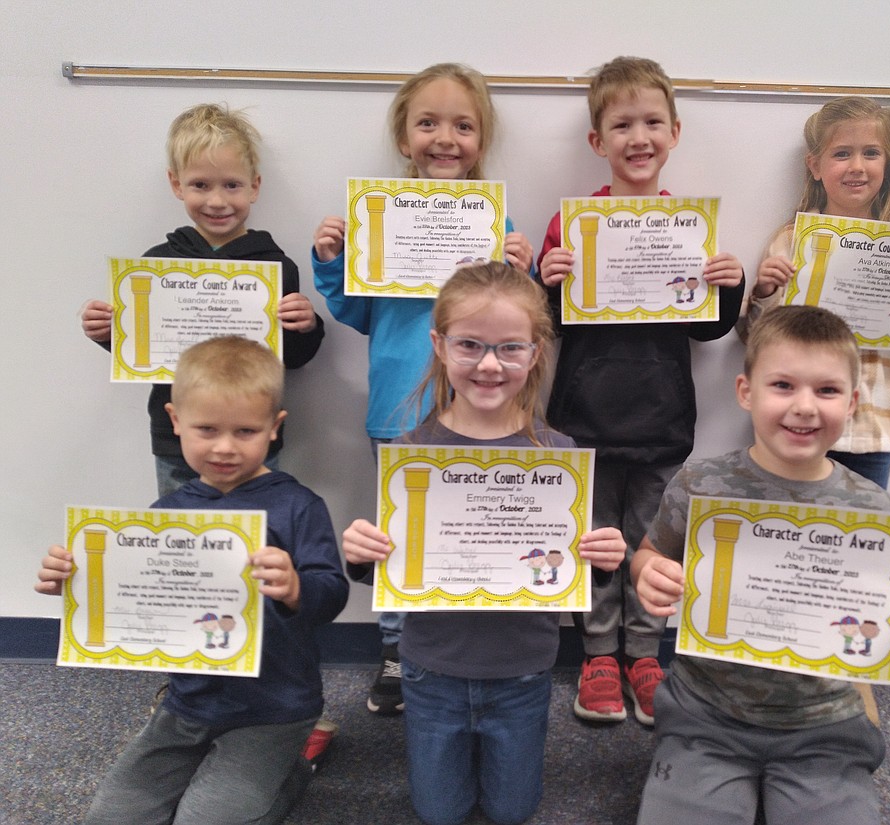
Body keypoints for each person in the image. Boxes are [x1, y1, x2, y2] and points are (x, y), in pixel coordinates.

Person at [631, 306, 890, 825]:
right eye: (783, 385)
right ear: (745, 392)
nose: (804, 407)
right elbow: (650, 553)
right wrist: (648, 573)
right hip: (705, 713)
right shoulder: (700, 484)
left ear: (852, 403)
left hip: (823, 724)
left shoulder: (871, 507)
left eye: (826, 391)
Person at [340, 262, 626, 825]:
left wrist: (602, 560)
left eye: (510, 348)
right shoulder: (413, 451)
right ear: (439, 346)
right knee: (438, 813)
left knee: (513, 811)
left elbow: (575, 574)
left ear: (536, 351)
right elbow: (394, 567)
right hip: (431, 669)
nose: (490, 364)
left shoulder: (559, 453)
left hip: (522, 671)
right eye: (469, 345)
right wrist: (361, 556)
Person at [35, 336, 349, 825]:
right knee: (110, 818)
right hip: (188, 701)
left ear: (274, 429)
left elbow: (332, 593)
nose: (224, 447)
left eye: (245, 430)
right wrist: (75, 582)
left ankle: (295, 769)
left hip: (274, 706)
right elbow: (140, 598)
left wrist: (296, 588)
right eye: (206, 428)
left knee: (208, 819)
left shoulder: (298, 505)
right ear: (175, 421)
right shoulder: (167, 513)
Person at [312, 63, 535, 717]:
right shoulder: (377, 219)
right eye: (429, 123)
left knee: (469, 531)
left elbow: (522, 321)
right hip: (399, 411)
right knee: (400, 536)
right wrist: (331, 260)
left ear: (482, 141)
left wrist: (521, 270)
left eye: (464, 126)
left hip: (482, 411)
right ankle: (394, 648)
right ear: (404, 138)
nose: (446, 138)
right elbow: (358, 312)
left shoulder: (496, 220)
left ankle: (462, 651)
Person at [537, 56, 745, 725]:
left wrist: (729, 283)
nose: (638, 136)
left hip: (661, 419)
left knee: (652, 538)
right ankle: (598, 655)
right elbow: (548, 326)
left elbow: (710, 330)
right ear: (598, 142)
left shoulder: (689, 225)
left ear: (674, 132)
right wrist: (549, 280)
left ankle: (645, 654)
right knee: (597, 538)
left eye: (652, 121)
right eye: (621, 124)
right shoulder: (571, 224)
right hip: (584, 419)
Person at [80, 103, 325, 499]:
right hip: (177, 434)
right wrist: (107, 332)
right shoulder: (156, 264)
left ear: (254, 186)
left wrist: (307, 326)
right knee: (182, 537)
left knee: (255, 532)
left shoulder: (275, 265)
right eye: (200, 185)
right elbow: (141, 352)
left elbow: (292, 359)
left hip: (253, 434)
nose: (217, 201)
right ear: (176, 185)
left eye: (231, 185)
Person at [737, 96, 890, 489]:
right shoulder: (793, 241)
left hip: (870, 427)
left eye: (871, 153)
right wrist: (763, 292)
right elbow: (753, 339)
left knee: (858, 539)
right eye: (841, 153)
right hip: (795, 422)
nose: (857, 166)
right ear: (815, 166)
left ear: (889, 163)